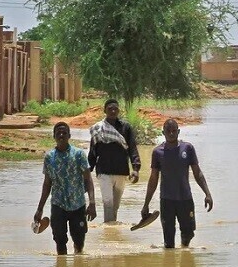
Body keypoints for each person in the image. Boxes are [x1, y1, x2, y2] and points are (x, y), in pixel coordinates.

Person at [141, 119, 213, 249]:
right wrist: (146, 204)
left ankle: (185, 252)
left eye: (174, 131)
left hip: (185, 199)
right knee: (168, 242)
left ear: (178, 131)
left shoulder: (188, 148)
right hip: (167, 201)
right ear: (163, 132)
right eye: (168, 131)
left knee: (188, 234)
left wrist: (207, 193)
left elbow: (198, 173)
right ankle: (169, 264)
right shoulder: (157, 152)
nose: (171, 133)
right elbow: (153, 180)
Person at [34, 122, 97, 255]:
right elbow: (47, 184)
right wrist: (39, 209)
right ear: (54, 136)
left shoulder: (79, 154)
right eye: (58, 133)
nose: (61, 135)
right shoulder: (49, 157)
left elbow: (88, 179)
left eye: (64, 133)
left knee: (79, 243)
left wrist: (92, 203)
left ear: (69, 135)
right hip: (58, 205)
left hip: (78, 205)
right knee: (59, 241)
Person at [88, 98, 141, 223]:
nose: (113, 111)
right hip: (104, 172)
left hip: (121, 171)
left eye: (115, 109)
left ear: (118, 111)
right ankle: (110, 231)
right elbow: (92, 152)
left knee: (115, 206)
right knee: (108, 203)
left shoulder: (126, 127)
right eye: (110, 109)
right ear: (104, 111)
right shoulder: (98, 128)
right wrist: (86, 171)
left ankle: (111, 231)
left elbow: (132, 148)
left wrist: (136, 168)